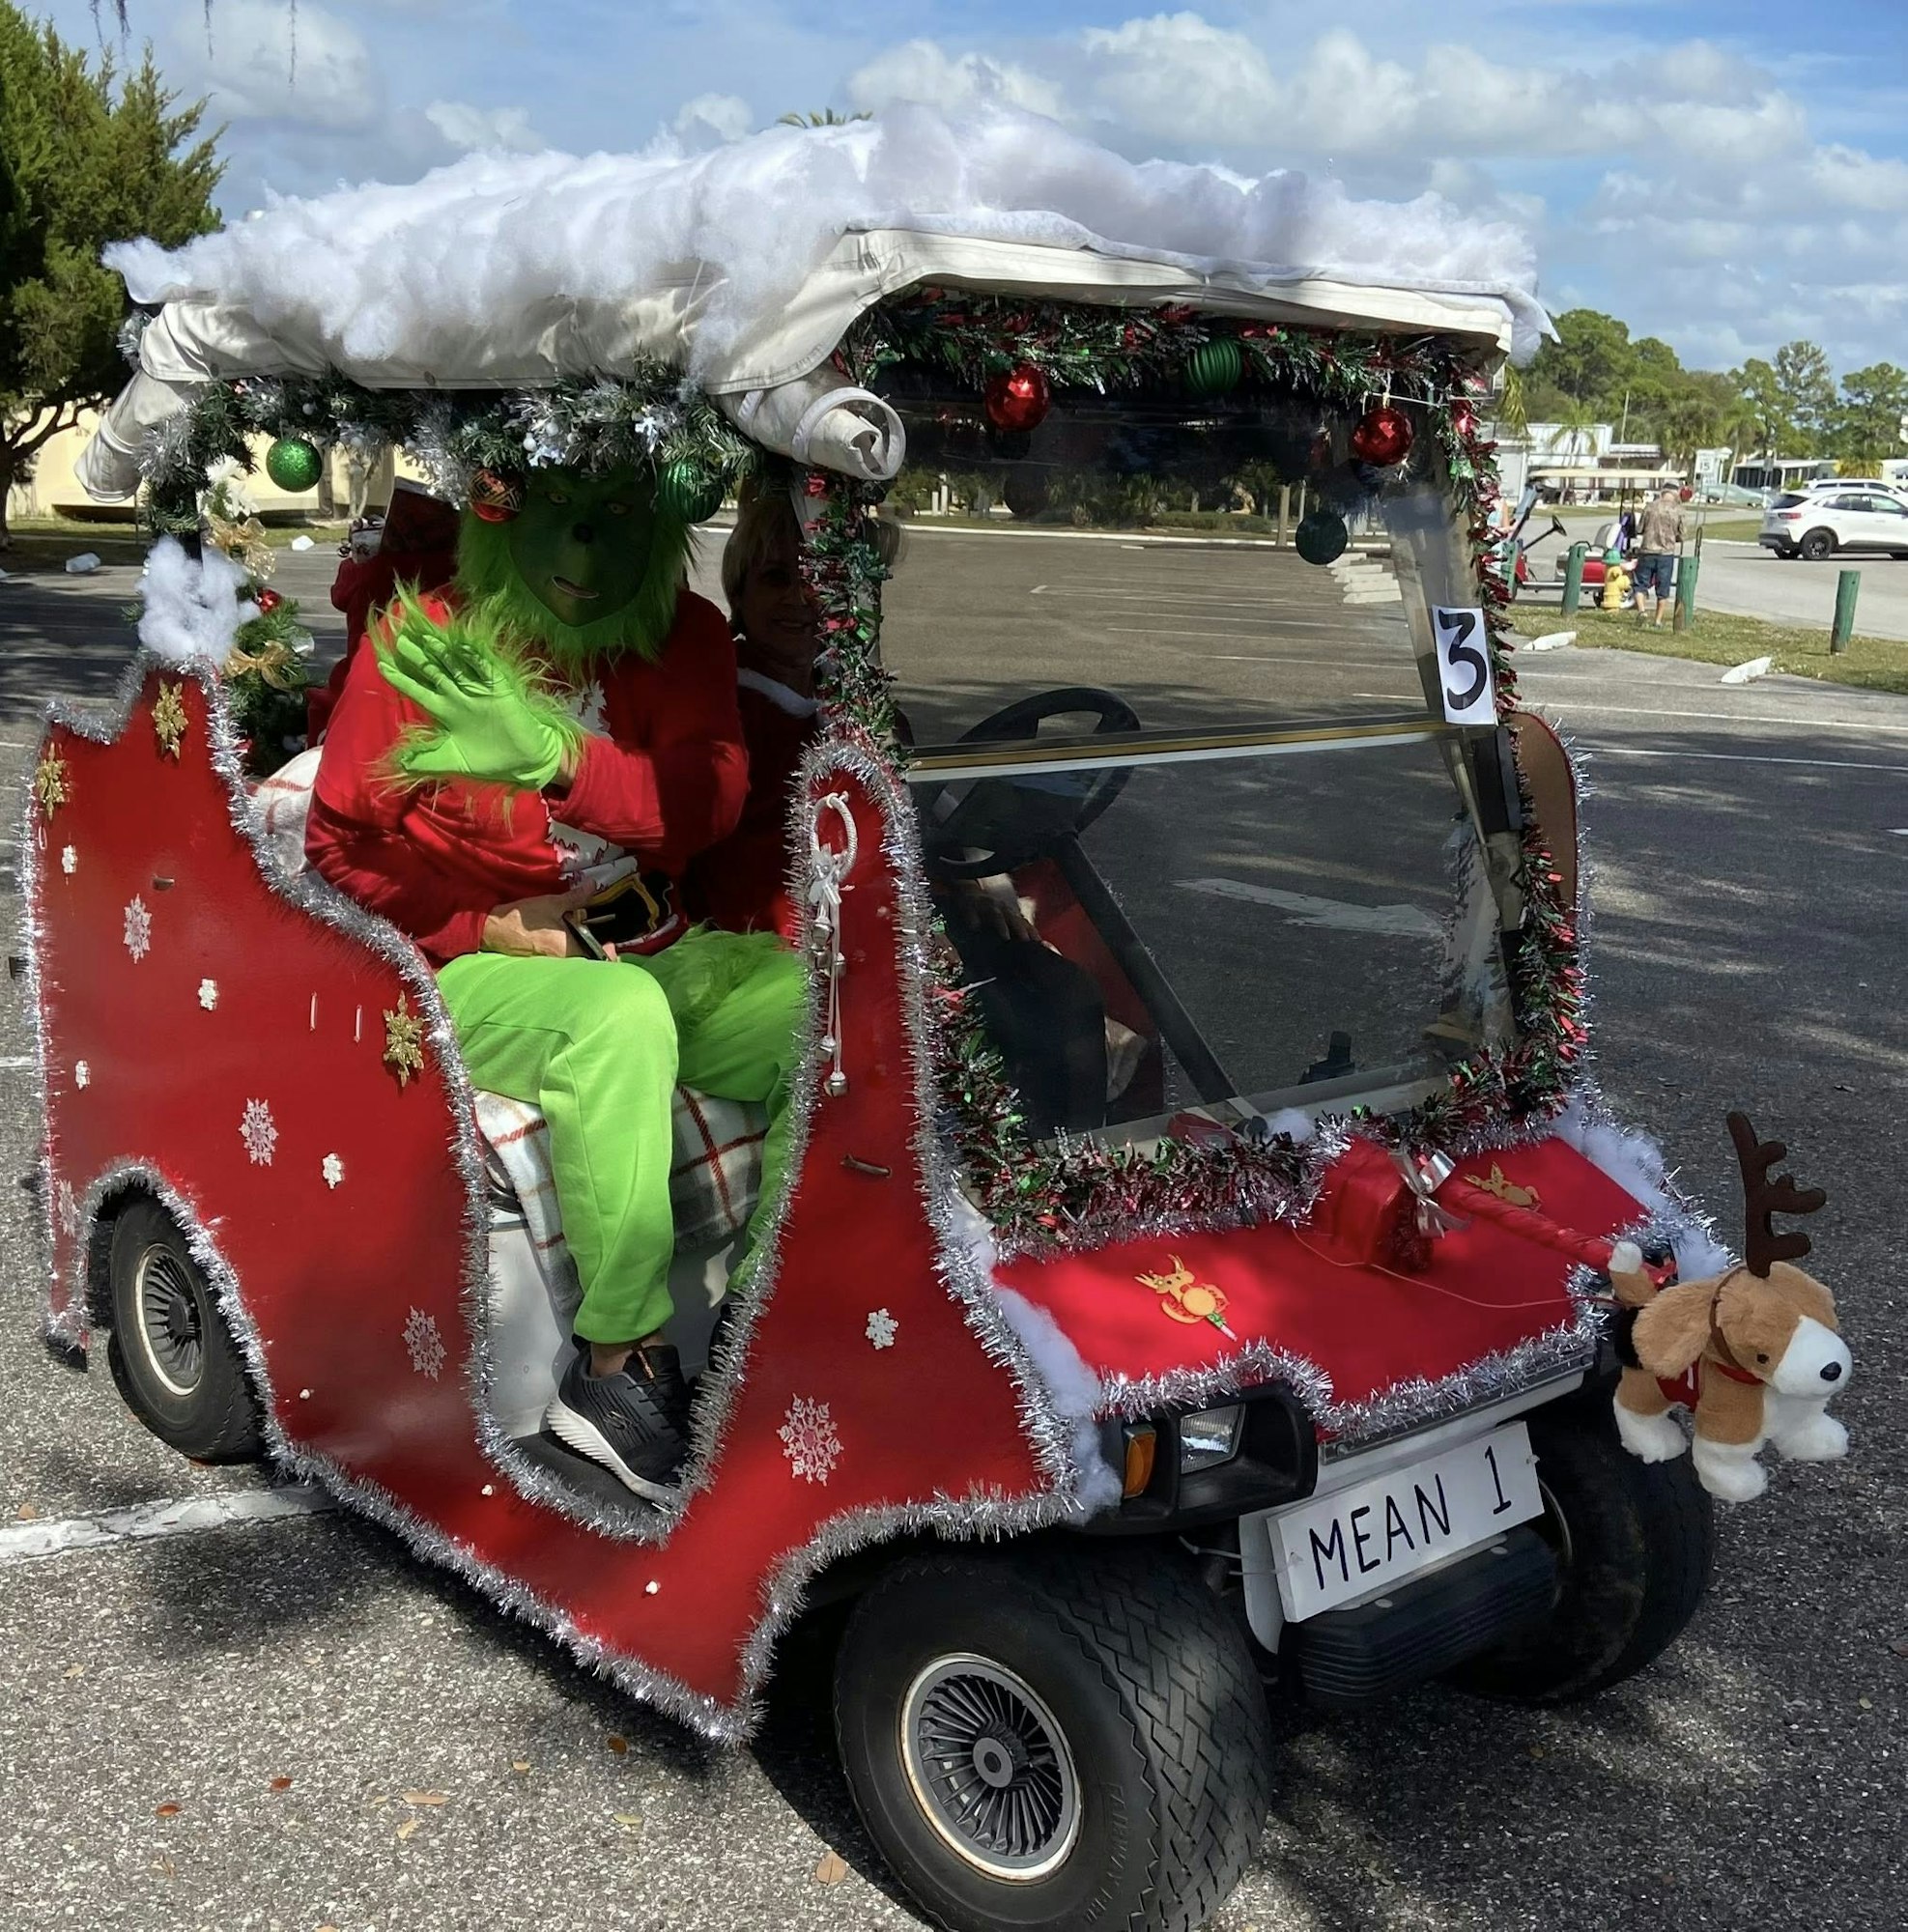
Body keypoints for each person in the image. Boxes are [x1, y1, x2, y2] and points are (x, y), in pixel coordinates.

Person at [305, 462, 805, 1504]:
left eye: (620, 515)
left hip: (654, 941)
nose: (582, 556)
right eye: (556, 514)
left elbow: (705, 802)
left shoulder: (686, 634)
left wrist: (557, 757)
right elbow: (340, 843)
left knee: (826, 1010)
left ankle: (773, 1320)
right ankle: (615, 1365)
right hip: (476, 963)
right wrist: (479, 921)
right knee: (613, 1019)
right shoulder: (425, 636)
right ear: (501, 510)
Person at [687, 480, 1113, 1137]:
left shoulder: (858, 700)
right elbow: (747, 865)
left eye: (820, 580)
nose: (801, 599)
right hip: (786, 948)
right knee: (1017, 1015)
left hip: (886, 928)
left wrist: (965, 881)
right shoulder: (727, 710)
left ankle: (1069, 1174)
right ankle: (996, 1183)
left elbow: (900, 824)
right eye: (776, 578)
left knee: (1069, 990)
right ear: (739, 596)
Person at [1633, 487, 1688, 628]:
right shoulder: (1678, 510)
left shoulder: (1650, 507)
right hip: (1665, 554)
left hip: (1647, 550)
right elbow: (1682, 535)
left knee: (1640, 584)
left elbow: (1639, 529)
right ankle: (1657, 620)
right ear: (1675, 496)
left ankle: (1642, 611)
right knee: (1663, 588)